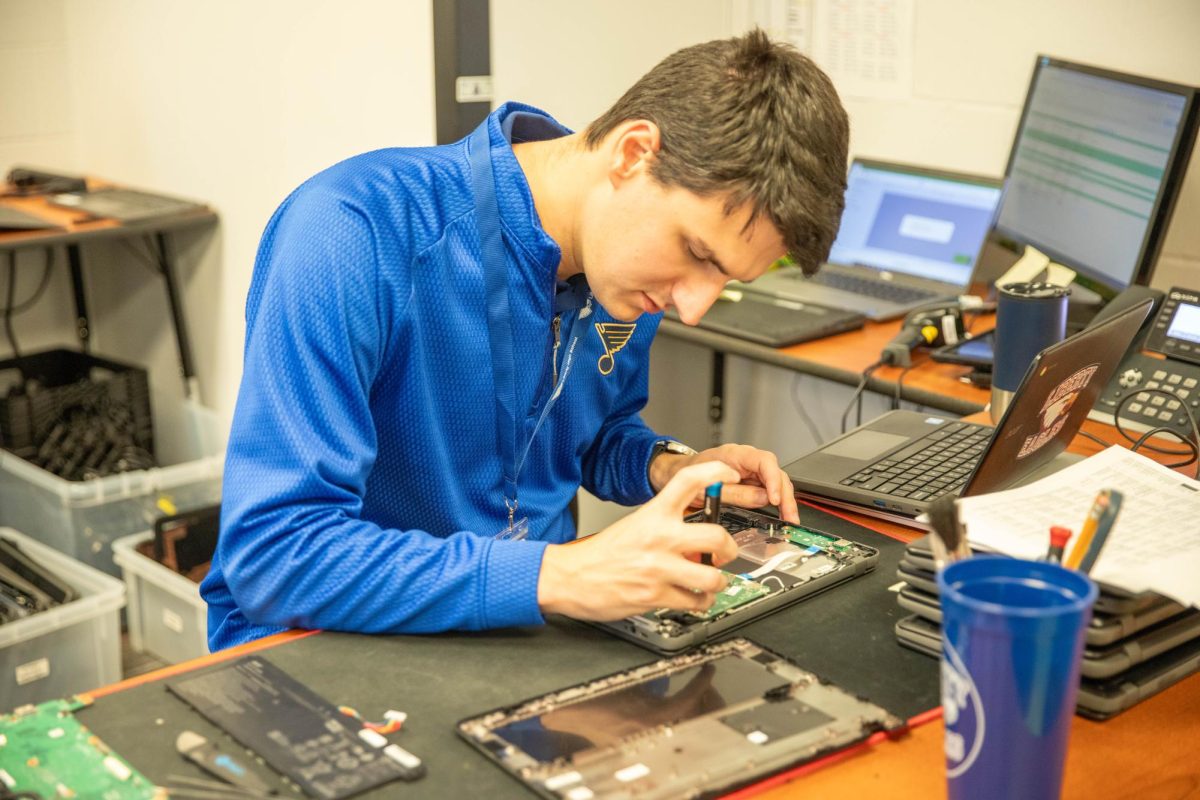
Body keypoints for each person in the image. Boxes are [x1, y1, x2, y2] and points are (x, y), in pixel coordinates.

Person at [201, 29, 849, 650]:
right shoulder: (351, 232)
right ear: (632, 154)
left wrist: (666, 465)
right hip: (328, 641)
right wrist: (560, 575)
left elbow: (584, 434)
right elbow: (275, 553)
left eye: (724, 280)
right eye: (697, 254)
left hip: (522, 626)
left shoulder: (626, 273)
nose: (693, 306)